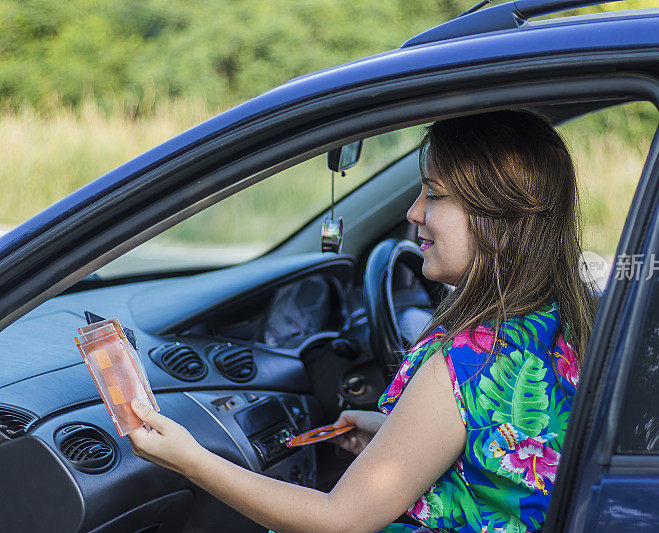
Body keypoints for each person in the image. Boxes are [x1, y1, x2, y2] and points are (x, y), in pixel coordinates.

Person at [127, 110, 598, 533]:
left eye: (433, 194)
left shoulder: (469, 358)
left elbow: (339, 521)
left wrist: (192, 461)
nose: (413, 213)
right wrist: (396, 432)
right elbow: (507, 455)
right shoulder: (558, 322)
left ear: (498, 211)